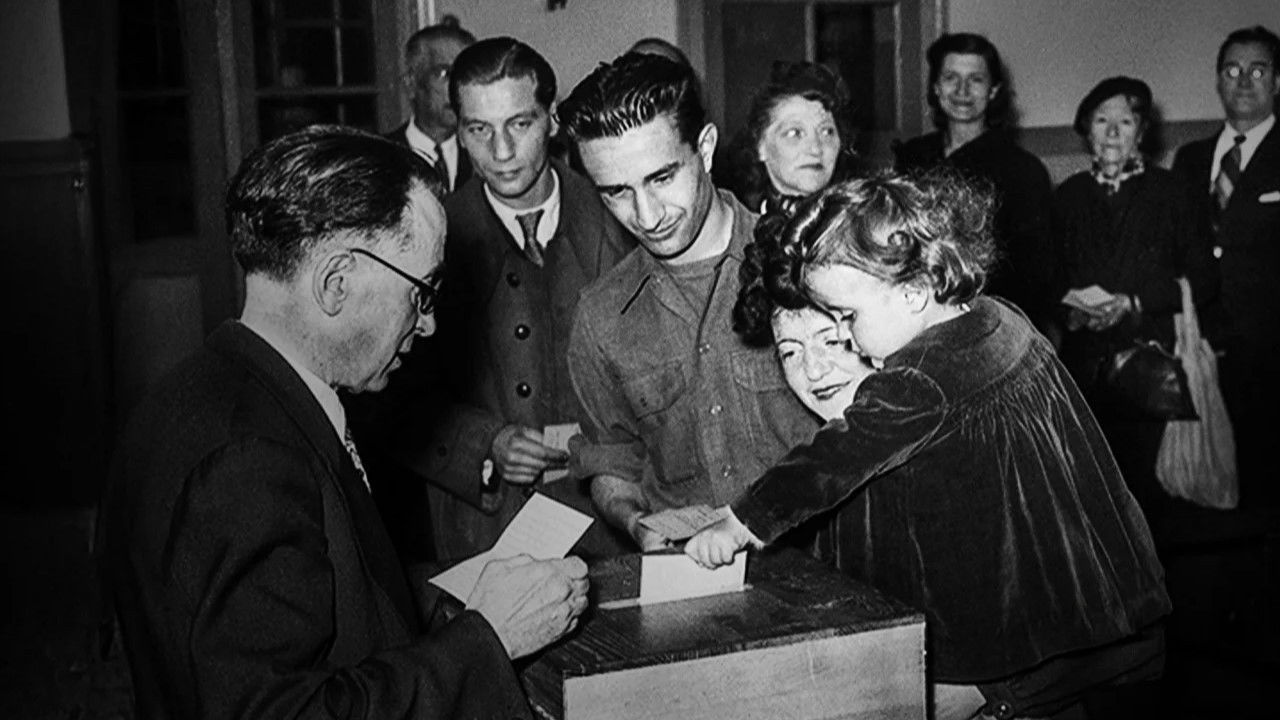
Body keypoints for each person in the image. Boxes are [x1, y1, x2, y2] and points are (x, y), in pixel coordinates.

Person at [99, 125, 589, 719]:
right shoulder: (248, 462)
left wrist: (441, 594)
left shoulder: (203, 394)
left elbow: (315, 603)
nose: (428, 324)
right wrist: (489, 637)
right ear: (335, 284)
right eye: (421, 293)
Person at [686, 173, 1171, 720]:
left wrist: (741, 521)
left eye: (847, 318)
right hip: (1095, 579)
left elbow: (834, 458)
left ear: (913, 292)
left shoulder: (920, 377)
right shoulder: (997, 316)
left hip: (1022, 637)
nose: (847, 338)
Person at [557, 53, 815, 551]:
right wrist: (635, 522)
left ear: (706, 149)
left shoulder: (806, 269)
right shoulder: (601, 316)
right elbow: (612, 463)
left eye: (661, 178)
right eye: (616, 192)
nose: (647, 215)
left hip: (819, 569)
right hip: (687, 581)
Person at [391, 37, 634, 561]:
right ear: (459, 130)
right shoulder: (426, 238)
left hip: (615, 531)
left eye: (520, 124)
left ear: (552, 120)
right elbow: (391, 399)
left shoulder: (622, 219)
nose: (501, 152)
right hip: (487, 538)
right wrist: (486, 442)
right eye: (479, 129)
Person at [1054, 76, 1218, 524]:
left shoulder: (1173, 192)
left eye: (1124, 122)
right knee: (1090, 503)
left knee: (1151, 507)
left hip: (1152, 371)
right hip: (1085, 374)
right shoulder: (1068, 196)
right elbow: (1049, 276)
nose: (1112, 132)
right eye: (1101, 121)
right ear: (1086, 130)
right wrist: (1070, 312)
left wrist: (1134, 302)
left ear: (1142, 132)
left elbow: (1204, 279)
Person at [1172, 25, 1280, 510]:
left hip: (1269, 354)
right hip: (1202, 349)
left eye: (1257, 70)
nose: (1244, 81)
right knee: (1205, 492)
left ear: (1277, 81)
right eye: (1232, 70)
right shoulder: (1190, 159)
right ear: (1218, 80)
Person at [893, 33, 1055, 332]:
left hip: (990, 322)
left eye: (976, 80)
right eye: (951, 78)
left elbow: (1033, 275)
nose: (962, 91)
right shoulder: (913, 157)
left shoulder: (1023, 170)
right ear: (936, 87)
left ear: (993, 91)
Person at [728, 60, 857, 218]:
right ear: (760, 145)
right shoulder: (738, 223)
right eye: (795, 133)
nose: (815, 148)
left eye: (826, 131)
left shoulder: (862, 223)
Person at [387, 22, 476, 192]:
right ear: (411, 84)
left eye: (465, 74)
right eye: (445, 74)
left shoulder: (482, 155)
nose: (457, 87)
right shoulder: (384, 157)